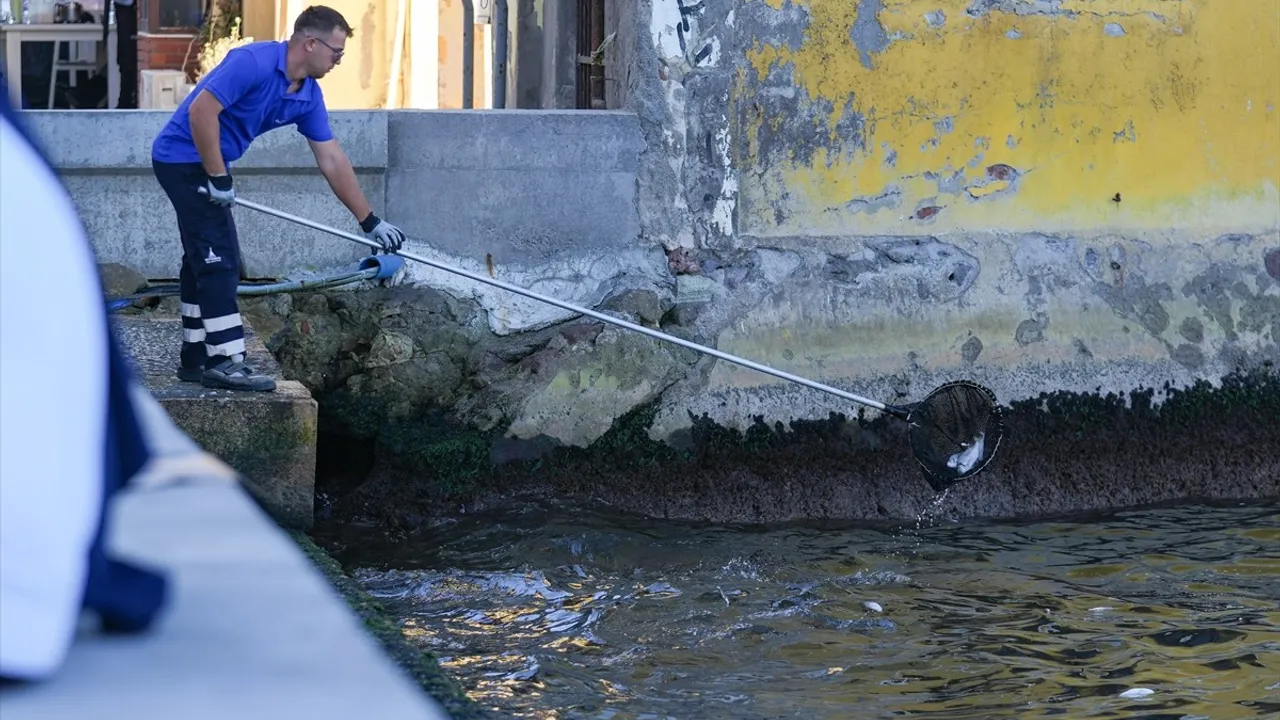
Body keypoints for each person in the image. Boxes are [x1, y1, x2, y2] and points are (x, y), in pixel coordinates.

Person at [150, 5, 406, 392]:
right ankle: (226, 361)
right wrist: (218, 176)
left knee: (202, 258)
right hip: (181, 159)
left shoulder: (307, 96)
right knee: (221, 261)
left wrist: (370, 221)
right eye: (337, 52)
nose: (339, 61)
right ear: (310, 43)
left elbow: (332, 159)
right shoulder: (251, 62)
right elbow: (202, 111)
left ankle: (196, 355)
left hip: (209, 165)